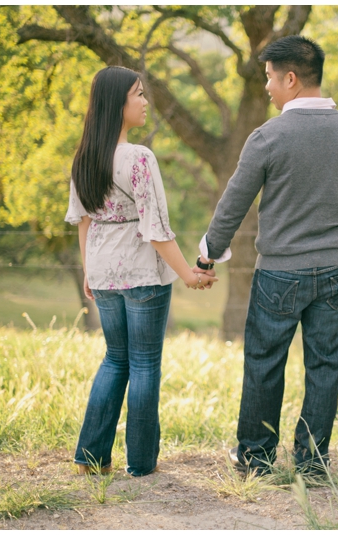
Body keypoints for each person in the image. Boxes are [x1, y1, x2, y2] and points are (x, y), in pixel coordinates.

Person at [195, 36, 338, 475]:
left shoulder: (268, 137)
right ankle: (312, 463)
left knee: (265, 364)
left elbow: (234, 202)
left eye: (269, 78)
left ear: (290, 78)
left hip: (280, 275)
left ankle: (256, 459)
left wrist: (208, 254)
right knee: (325, 367)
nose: (266, 87)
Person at [65, 66, 218, 477]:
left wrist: (88, 272)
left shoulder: (84, 157)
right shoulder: (137, 158)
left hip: (103, 271)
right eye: (138, 95)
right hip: (140, 274)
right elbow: (155, 228)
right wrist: (188, 273)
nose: (146, 102)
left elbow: (83, 220)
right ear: (118, 104)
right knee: (145, 364)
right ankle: (141, 463)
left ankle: (89, 458)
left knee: (115, 359)